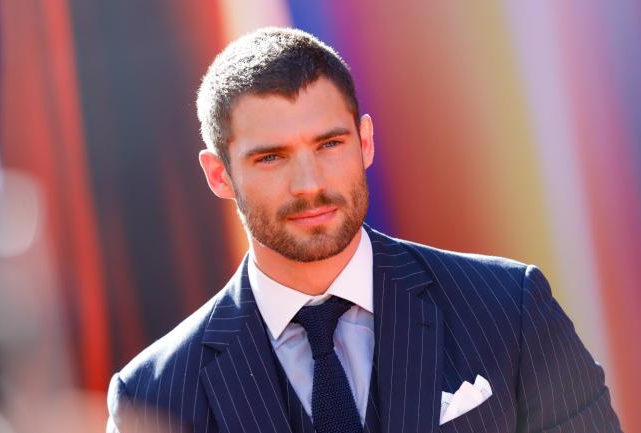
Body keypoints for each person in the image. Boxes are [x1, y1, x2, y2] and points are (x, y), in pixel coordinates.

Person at [106, 27, 622, 433]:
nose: (309, 184)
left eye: (329, 144)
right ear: (220, 175)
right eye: (271, 158)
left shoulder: (509, 308)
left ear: (365, 142)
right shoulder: (153, 396)